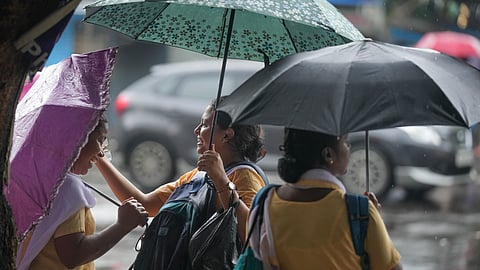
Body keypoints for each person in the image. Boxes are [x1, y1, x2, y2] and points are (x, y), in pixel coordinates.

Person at [95, 98, 266, 242]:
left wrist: (222, 182)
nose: (196, 130)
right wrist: (99, 157)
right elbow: (145, 204)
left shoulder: (245, 177)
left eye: (205, 124)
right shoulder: (198, 176)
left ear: (227, 135)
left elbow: (253, 236)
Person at [251, 128, 402, 270]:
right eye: (345, 142)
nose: (348, 147)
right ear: (329, 154)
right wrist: (375, 220)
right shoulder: (360, 211)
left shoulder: (265, 203)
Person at [17, 114, 149, 270]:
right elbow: (73, 255)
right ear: (77, 138)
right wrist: (123, 225)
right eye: (100, 140)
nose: (101, 153)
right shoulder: (67, 189)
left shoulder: (39, 178)